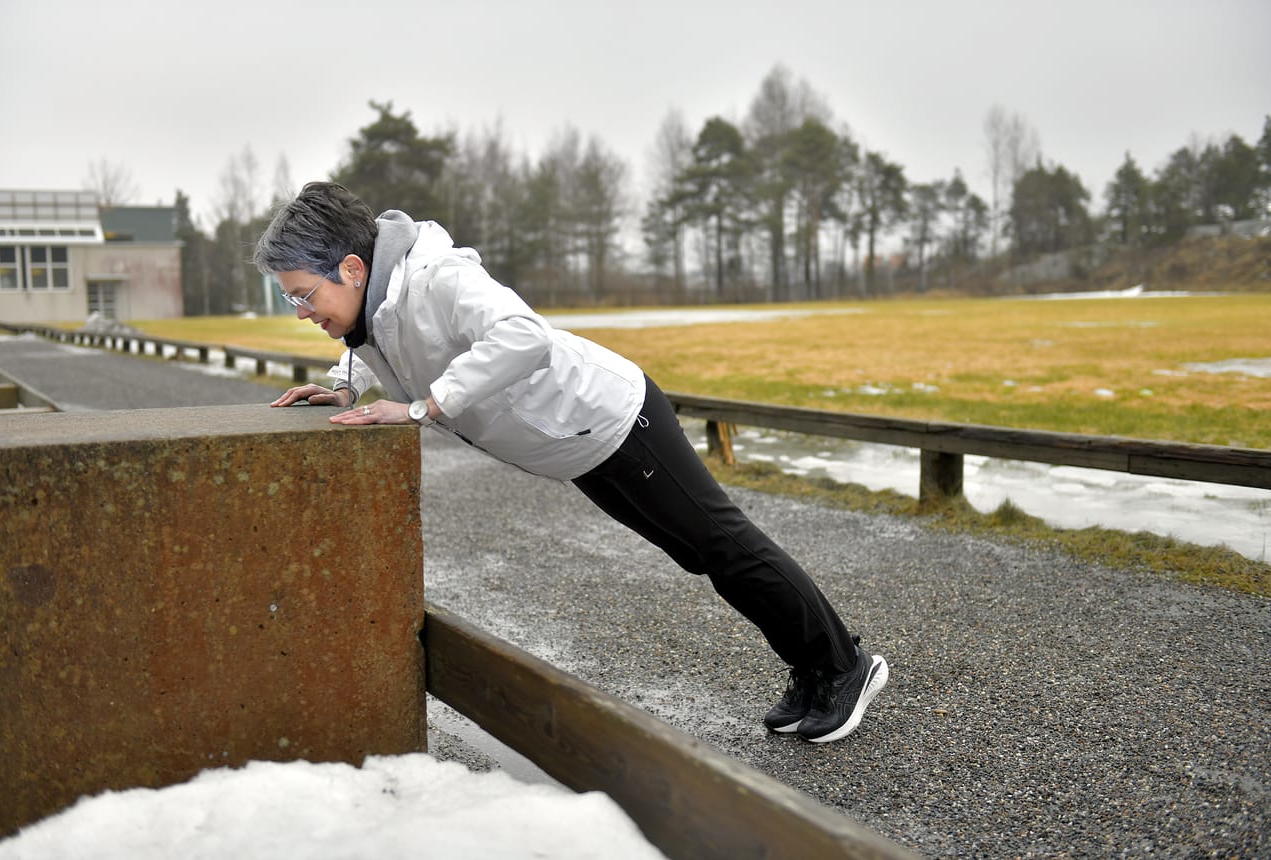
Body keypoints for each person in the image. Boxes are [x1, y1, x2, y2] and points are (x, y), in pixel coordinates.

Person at [254, 181, 887, 743]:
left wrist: (426, 408)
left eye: (306, 296)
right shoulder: (384, 300)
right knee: (703, 554)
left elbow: (523, 334)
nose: (306, 313)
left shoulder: (438, 278)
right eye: (294, 302)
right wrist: (344, 384)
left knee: (723, 546)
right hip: (582, 444)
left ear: (353, 267)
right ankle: (814, 671)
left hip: (617, 420)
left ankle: (842, 666)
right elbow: (385, 341)